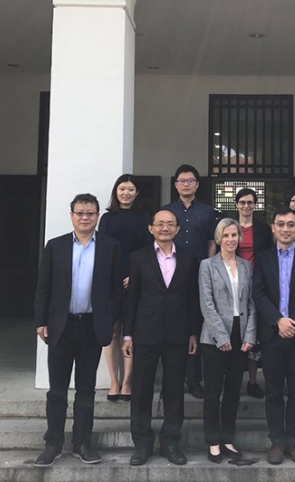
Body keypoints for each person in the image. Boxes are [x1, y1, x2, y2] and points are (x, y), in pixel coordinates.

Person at [33, 193, 121, 467]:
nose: (85, 217)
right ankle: (53, 443)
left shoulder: (110, 247)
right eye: (80, 212)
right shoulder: (55, 246)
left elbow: (116, 289)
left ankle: (82, 442)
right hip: (61, 325)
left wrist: (110, 319)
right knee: (57, 389)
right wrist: (40, 320)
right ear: (71, 215)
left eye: (91, 213)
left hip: (91, 326)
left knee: (86, 389)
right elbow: (43, 286)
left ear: (97, 216)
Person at [122, 210, 201, 466]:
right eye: (160, 223)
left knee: (174, 390)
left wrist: (193, 332)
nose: (165, 228)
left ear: (178, 229)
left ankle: (170, 442)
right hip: (146, 333)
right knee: (142, 390)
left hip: (178, 333)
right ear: (151, 228)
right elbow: (132, 298)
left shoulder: (190, 258)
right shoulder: (138, 258)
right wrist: (127, 334)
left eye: (170, 224)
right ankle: (142, 444)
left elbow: (192, 298)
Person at [252, 206, 295, 465]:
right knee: (273, 391)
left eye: (291, 224)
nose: (286, 229)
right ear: (273, 227)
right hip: (272, 334)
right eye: (281, 224)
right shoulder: (264, 257)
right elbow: (258, 293)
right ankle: (277, 442)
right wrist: (278, 321)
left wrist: (292, 323)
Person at [198, 218, 257, 463]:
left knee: (233, 390)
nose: (230, 239)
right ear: (219, 238)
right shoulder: (207, 265)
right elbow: (206, 303)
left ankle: (228, 439)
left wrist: (250, 335)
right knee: (213, 392)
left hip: (240, 334)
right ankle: (213, 442)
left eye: (234, 235)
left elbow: (252, 303)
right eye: (226, 235)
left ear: (239, 238)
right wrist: (221, 336)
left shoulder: (246, 266)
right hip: (214, 336)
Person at [162, 164, 218, 399]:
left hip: (198, 273)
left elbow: (211, 242)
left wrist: (209, 268)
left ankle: (194, 379)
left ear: (197, 184)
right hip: (170, 274)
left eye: (190, 180)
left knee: (195, 325)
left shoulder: (207, 212)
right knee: (170, 325)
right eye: (181, 180)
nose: (186, 184)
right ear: (175, 184)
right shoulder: (166, 212)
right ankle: (170, 381)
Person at [98, 174, 150, 402]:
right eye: (122, 189)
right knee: (113, 332)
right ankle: (114, 381)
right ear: (116, 192)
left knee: (132, 331)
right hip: (111, 280)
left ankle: (128, 381)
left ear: (137, 193)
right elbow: (102, 250)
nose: (126, 193)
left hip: (135, 279)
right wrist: (114, 276)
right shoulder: (107, 219)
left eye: (130, 189)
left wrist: (134, 275)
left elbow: (148, 251)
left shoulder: (144, 218)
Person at [234, 187, 273, 399]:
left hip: (257, 283)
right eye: (243, 202)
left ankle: (252, 381)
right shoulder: (230, 227)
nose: (246, 206)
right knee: (235, 331)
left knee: (254, 335)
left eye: (250, 202)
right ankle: (231, 379)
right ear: (237, 204)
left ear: (255, 205)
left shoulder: (263, 229)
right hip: (233, 283)